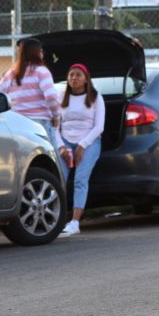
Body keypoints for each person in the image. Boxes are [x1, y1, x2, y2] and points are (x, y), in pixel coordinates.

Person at [54, 63, 104, 236]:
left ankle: (75, 222)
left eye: (78, 75)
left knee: (80, 180)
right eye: (71, 75)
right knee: (59, 180)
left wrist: (82, 145)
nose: (74, 78)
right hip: (65, 142)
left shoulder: (96, 97)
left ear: (86, 79)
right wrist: (61, 147)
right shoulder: (61, 97)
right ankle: (57, 220)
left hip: (89, 142)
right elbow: (55, 127)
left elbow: (99, 127)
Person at [0, 38, 61, 142]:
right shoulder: (41, 71)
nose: (42, 54)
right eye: (41, 51)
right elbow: (51, 97)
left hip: (16, 122)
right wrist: (56, 117)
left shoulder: (10, 74)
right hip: (40, 122)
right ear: (37, 53)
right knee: (48, 152)